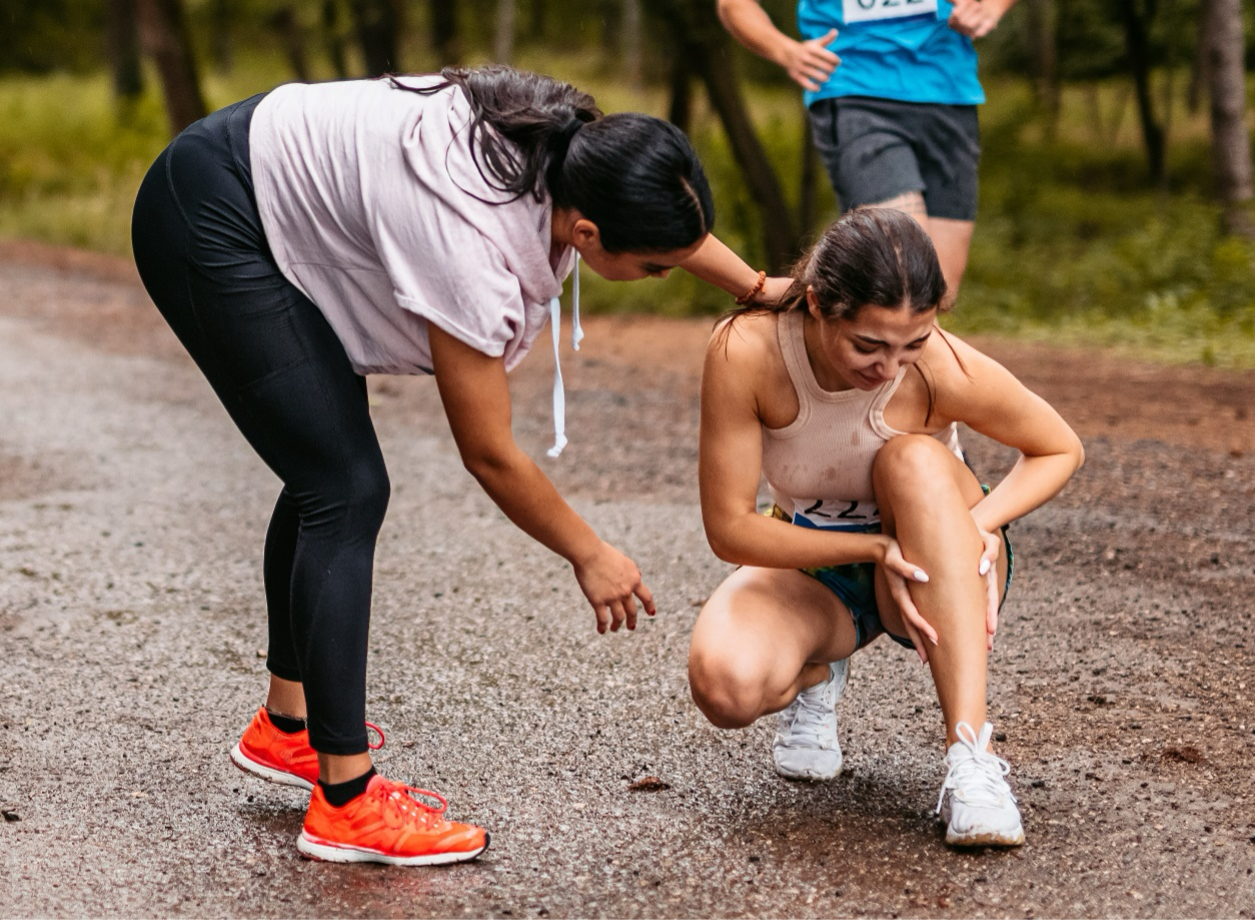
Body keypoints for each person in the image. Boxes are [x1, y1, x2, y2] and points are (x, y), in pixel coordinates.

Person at [131, 65, 776, 867]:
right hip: (210, 213)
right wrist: (589, 551)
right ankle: (345, 802)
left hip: (248, 173)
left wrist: (757, 285)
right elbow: (489, 454)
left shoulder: (577, 152)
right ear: (586, 235)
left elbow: (667, 224)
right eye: (653, 268)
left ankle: (288, 731)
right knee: (343, 485)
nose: (662, 275)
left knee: (324, 466)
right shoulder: (471, 243)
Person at [690, 208, 1082, 846]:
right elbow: (730, 529)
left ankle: (971, 763)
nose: (890, 367)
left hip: (937, 559)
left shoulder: (939, 366)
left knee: (912, 457)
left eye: (912, 344)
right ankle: (821, 670)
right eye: (868, 346)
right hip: (820, 557)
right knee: (725, 688)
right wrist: (876, 548)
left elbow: (1058, 447)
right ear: (818, 304)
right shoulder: (747, 351)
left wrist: (973, 525)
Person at [716, 0, 1016, 301]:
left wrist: (990, 7)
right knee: (906, 279)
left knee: (939, 295)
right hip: (855, 91)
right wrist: (786, 51)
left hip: (949, 93)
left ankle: (837, 329)